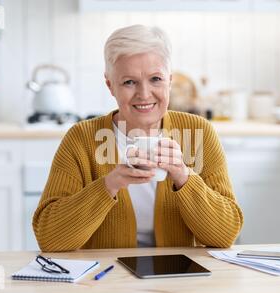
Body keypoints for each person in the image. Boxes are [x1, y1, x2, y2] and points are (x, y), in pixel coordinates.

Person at [33, 25, 243, 252]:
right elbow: (49, 238)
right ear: (110, 85)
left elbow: (225, 235)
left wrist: (184, 176)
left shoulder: (198, 132)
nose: (144, 94)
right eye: (129, 82)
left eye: (155, 79)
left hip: (181, 280)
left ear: (169, 81)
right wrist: (109, 185)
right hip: (106, 280)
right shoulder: (81, 139)